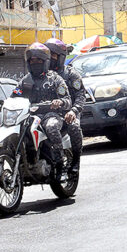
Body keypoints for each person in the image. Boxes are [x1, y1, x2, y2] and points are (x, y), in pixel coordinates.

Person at [11, 42, 71, 179]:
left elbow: (67, 100)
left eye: (39, 60)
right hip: (29, 116)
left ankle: (60, 164)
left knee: (51, 127)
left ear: (45, 61)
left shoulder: (55, 79)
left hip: (51, 115)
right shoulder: (25, 81)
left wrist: (59, 102)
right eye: (32, 60)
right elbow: (13, 97)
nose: (35, 62)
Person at [45, 38, 85, 180]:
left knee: (74, 127)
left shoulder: (71, 74)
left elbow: (81, 95)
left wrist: (73, 111)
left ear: (61, 57)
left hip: (69, 112)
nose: (50, 58)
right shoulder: (43, 75)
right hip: (49, 114)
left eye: (53, 55)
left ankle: (75, 162)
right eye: (48, 55)